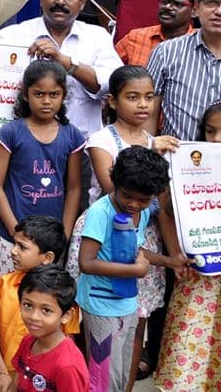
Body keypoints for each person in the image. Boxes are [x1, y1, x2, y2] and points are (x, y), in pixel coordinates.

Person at [76, 146, 181, 391]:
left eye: (143, 200)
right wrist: (136, 271)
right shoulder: (101, 213)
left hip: (126, 303)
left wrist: (170, 261)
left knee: (121, 374)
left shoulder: (142, 213)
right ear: (115, 181)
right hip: (101, 306)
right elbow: (86, 262)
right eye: (127, 196)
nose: (134, 204)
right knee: (103, 379)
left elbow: (136, 250)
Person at [0, 0, 123, 139]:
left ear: (82, 2)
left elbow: (114, 84)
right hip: (24, 145)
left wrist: (66, 62)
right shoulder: (10, 37)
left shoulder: (97, 37)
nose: (60, 1)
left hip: (82, 145)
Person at [0, 61, 85, 274]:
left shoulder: (72, 135)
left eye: (54, 94)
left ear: (64, 95)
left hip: (51, 239)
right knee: (11, 289)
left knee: (45, 289)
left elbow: (74, 188)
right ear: (25, 94)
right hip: (13, 235)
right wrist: (15, 231)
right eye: (39, 94)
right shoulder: (11, 132)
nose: (47, 101)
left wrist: (64, 235)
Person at [155, 102, 221, 390]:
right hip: (198, 271)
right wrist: (175, 253)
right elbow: (166, 210)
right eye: (210, 131)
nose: (216, 139)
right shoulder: (188, 165)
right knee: (189, 342)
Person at [0, 216, 77, 391]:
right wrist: (0, 371)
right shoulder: (3, 284)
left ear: (47, 257)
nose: (13, 251)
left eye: (22, 247)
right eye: (15, 244)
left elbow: (66, 344)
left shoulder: (63, 294)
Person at [147, 0, 221, 141]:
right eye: (212, 3)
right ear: (196, 8)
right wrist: (149, 150)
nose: (219, 11)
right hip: (177, 156)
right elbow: (148, 114)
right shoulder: (166, 52)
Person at [10, 265, 88, 392]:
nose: (34, 316)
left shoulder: (67, 366)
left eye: (46, 310)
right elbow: (16, 380)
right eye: (28, 305)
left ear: (66, 315)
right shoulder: (28, 341)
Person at [115, 0, 195, 66]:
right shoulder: (135, 37)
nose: (167, 7)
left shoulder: (199, 44)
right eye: (165, 2)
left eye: (177, 4)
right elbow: (109, 68)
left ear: (194, 11)